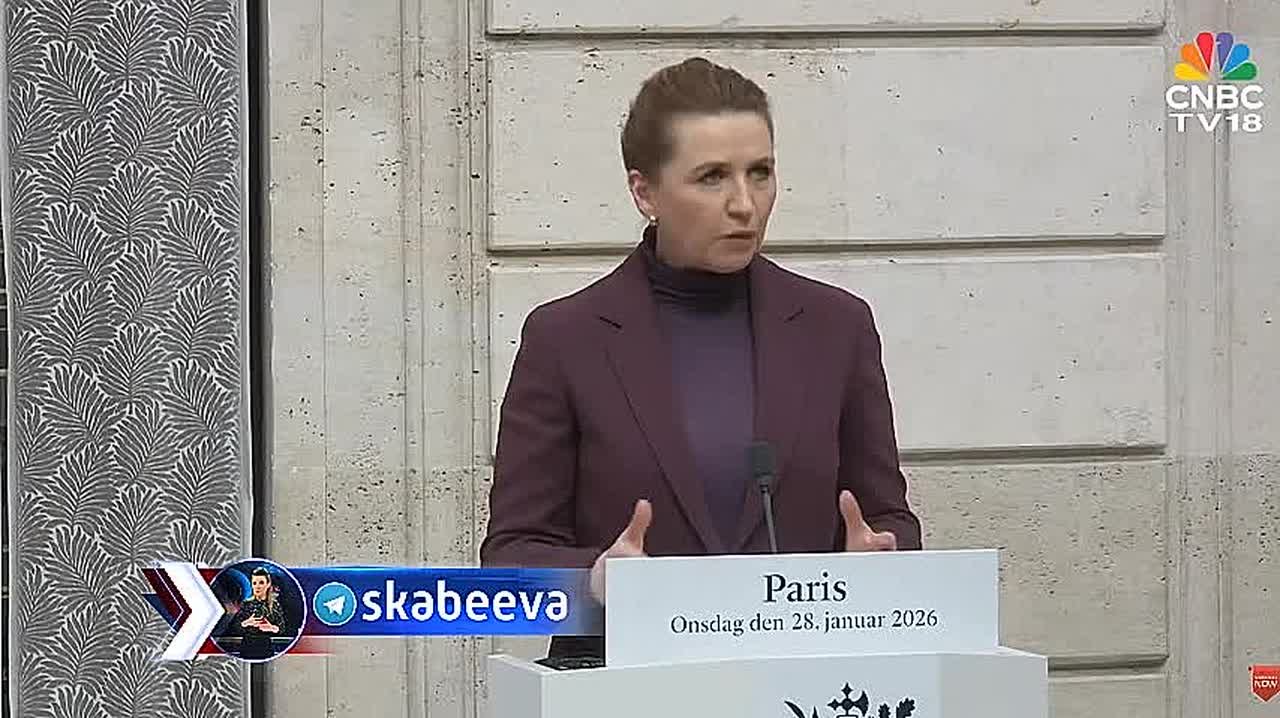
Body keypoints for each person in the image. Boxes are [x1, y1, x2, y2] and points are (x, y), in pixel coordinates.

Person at [479, 57, 922, 660]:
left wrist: (880, 560)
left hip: (802, 679)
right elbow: (511, 561)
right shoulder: (566, 339)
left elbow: (889, 519)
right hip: (622, 683)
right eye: (712, 177)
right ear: (645, 192)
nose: (745, 204)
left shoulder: (836, 327)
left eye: (760, 172)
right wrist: (595, 581)